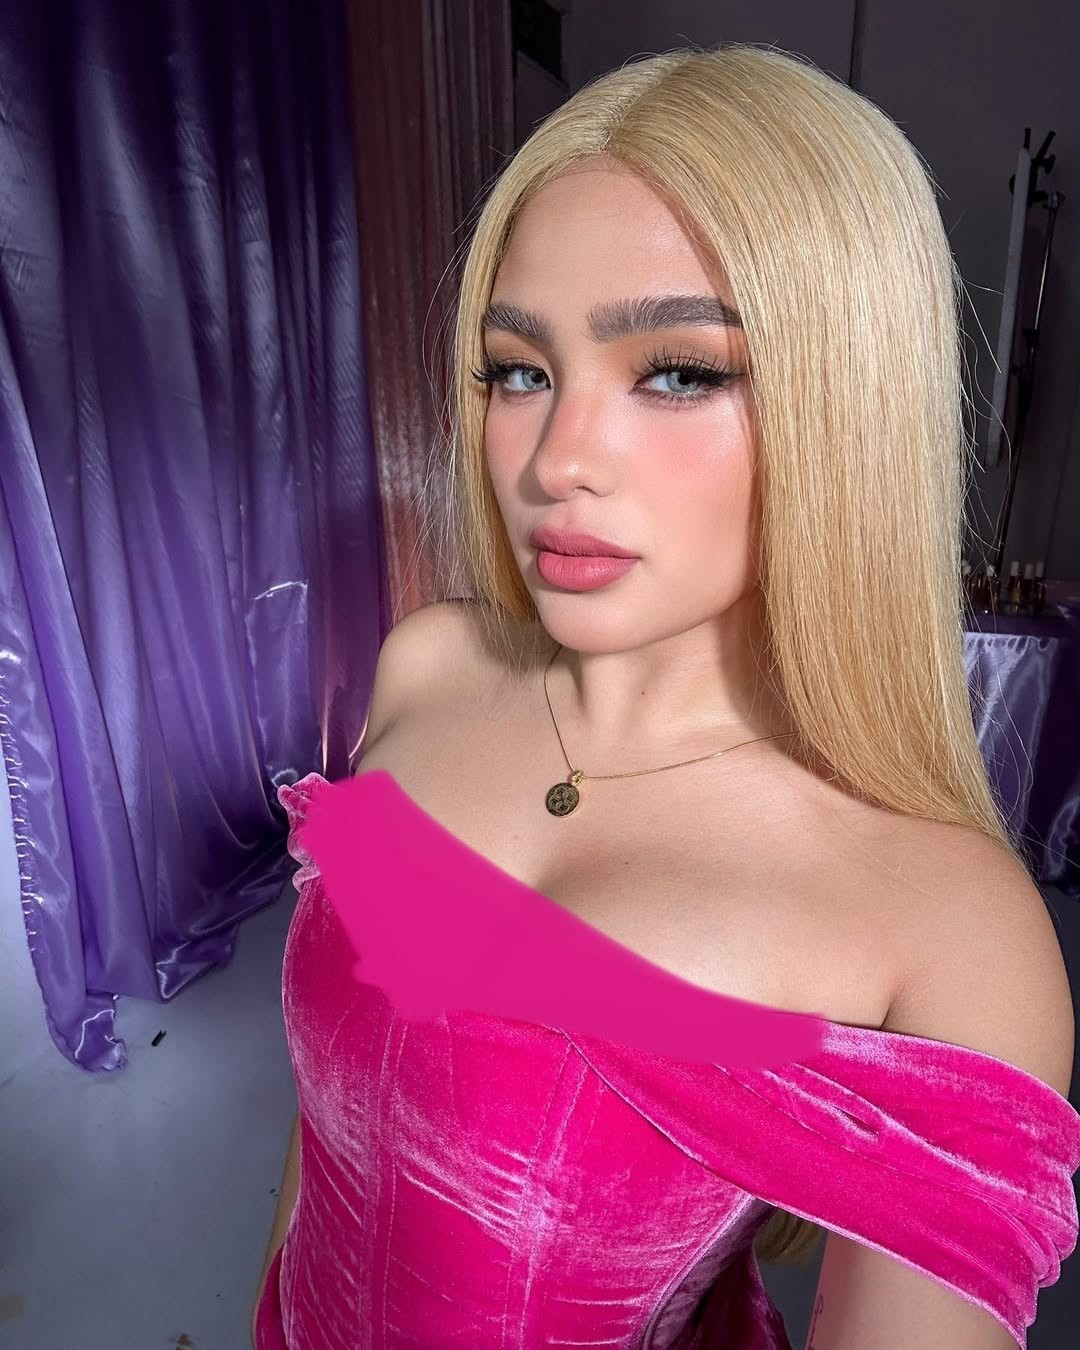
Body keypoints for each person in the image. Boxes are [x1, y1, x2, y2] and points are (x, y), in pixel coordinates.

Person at [251, 42, 1080, 1349]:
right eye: (520, 370)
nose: (556, 460)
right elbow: (322, 1140)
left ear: (847, 405)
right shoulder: (430, 667)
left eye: (679, 371)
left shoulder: (947, 928)